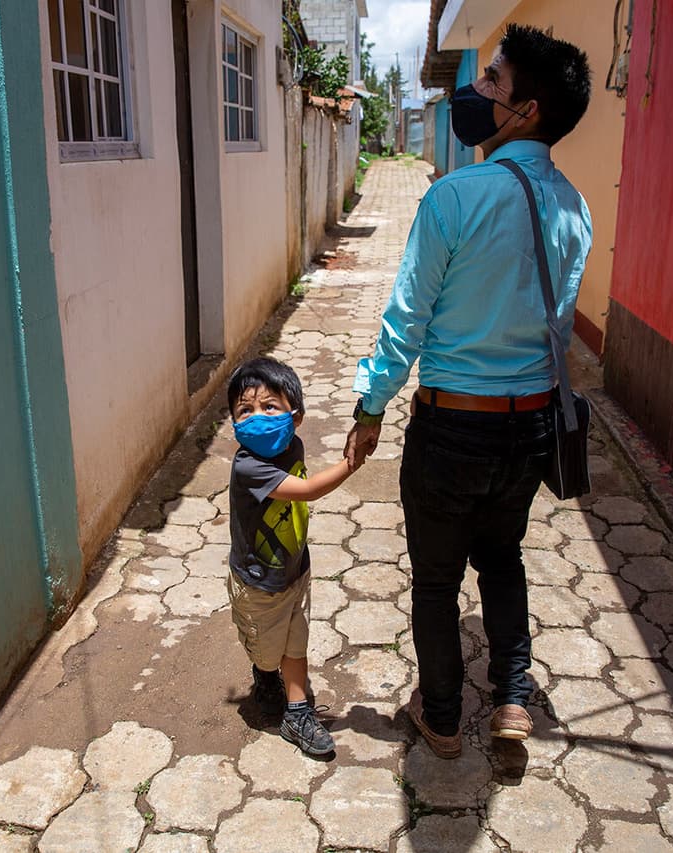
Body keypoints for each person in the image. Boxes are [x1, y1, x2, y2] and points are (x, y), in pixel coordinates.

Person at [345, 24, 593, 759]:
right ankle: (512, 696)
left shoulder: (454, 197)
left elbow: (406, 321)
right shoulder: (576, 208)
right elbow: (558, 329)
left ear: (527, 110)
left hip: (453, 427)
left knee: (435, 578)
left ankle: (445, 717)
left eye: (493, 81)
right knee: (503, 556)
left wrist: (369, 405)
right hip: (530, 428)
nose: (476, 90)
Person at [227, 357, 361, 755]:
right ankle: (265, 674)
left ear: (296, 417)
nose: (257, 417)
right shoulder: (249, 466)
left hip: (295, 570)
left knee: (295, 644)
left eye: (270, 406)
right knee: (269, 653)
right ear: (233, 423)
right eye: (245, 410)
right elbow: (308, 490)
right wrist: (351, 463)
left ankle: (298, 713)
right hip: (258, 585)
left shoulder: (293, 446)